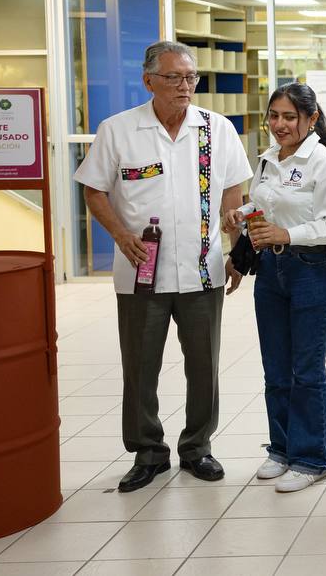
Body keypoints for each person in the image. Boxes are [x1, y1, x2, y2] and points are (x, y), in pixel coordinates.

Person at [74, 40, 251, 492]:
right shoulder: (118, 130)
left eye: (190, 77)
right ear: (148, 80)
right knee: (140, 366)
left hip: (203, 268)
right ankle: (148, 451)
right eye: (173, 77)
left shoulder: (216, 129)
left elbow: (233, 193)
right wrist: (120, 235)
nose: (184, 86)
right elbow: (94, 190)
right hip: (141, 273)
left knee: (204, 365)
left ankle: (197, 447)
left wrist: (236, 251)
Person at [222, 83, 326, 492]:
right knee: (276, 368)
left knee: (306, 371)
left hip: (312, 270)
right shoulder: (268, 159)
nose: (279, 124)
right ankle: (281, 449)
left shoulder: (324, 165)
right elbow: (269, 204)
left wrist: (287, 234)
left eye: (289, 117)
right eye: (274, 116)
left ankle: (311, 459)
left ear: (311, 119)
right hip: (271, 270)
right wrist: (242, 213)